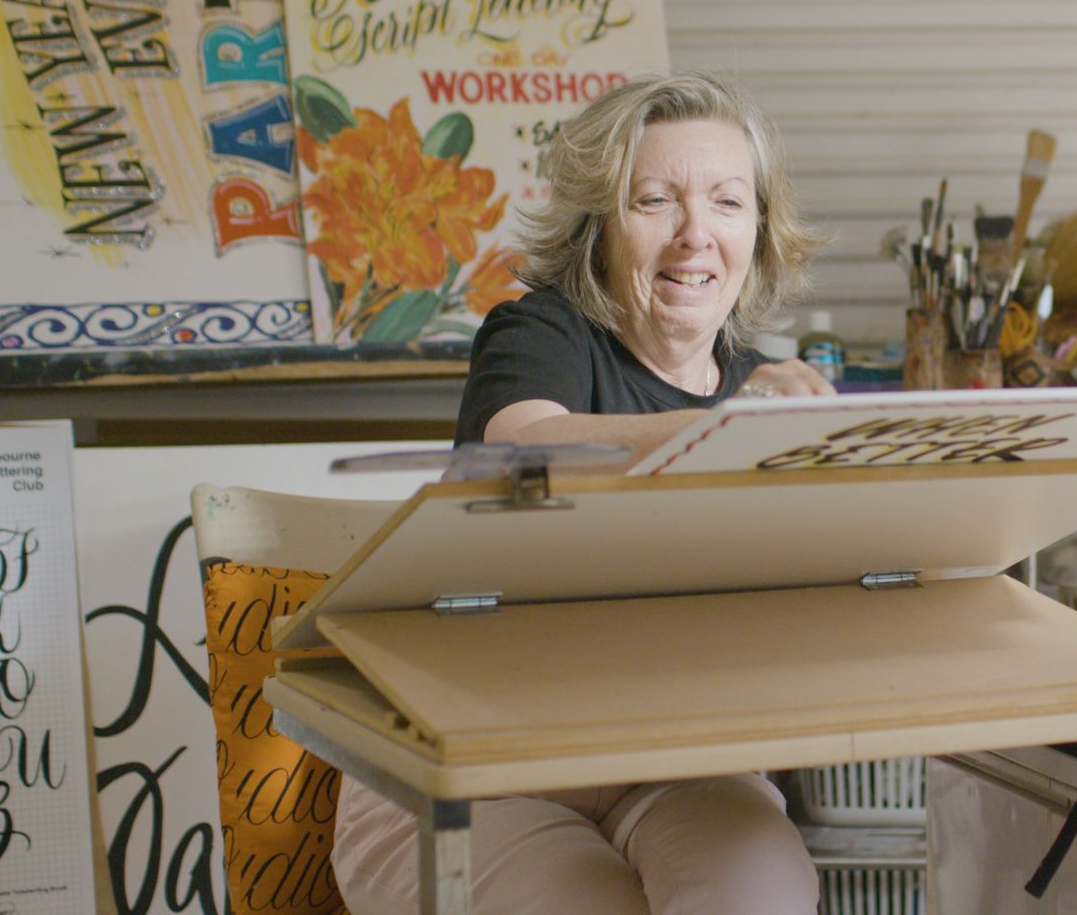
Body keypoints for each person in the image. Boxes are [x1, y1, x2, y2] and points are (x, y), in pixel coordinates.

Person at [331, 72, 833, 914]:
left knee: (764, 893)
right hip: (466, 759)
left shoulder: (763, 394)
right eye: (654, 201)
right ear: (598, 226)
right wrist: (729, 434)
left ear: (760, 230)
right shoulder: (540, 334)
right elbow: (526, 450)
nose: (695, 234)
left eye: (727, 202)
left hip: (666, 761)